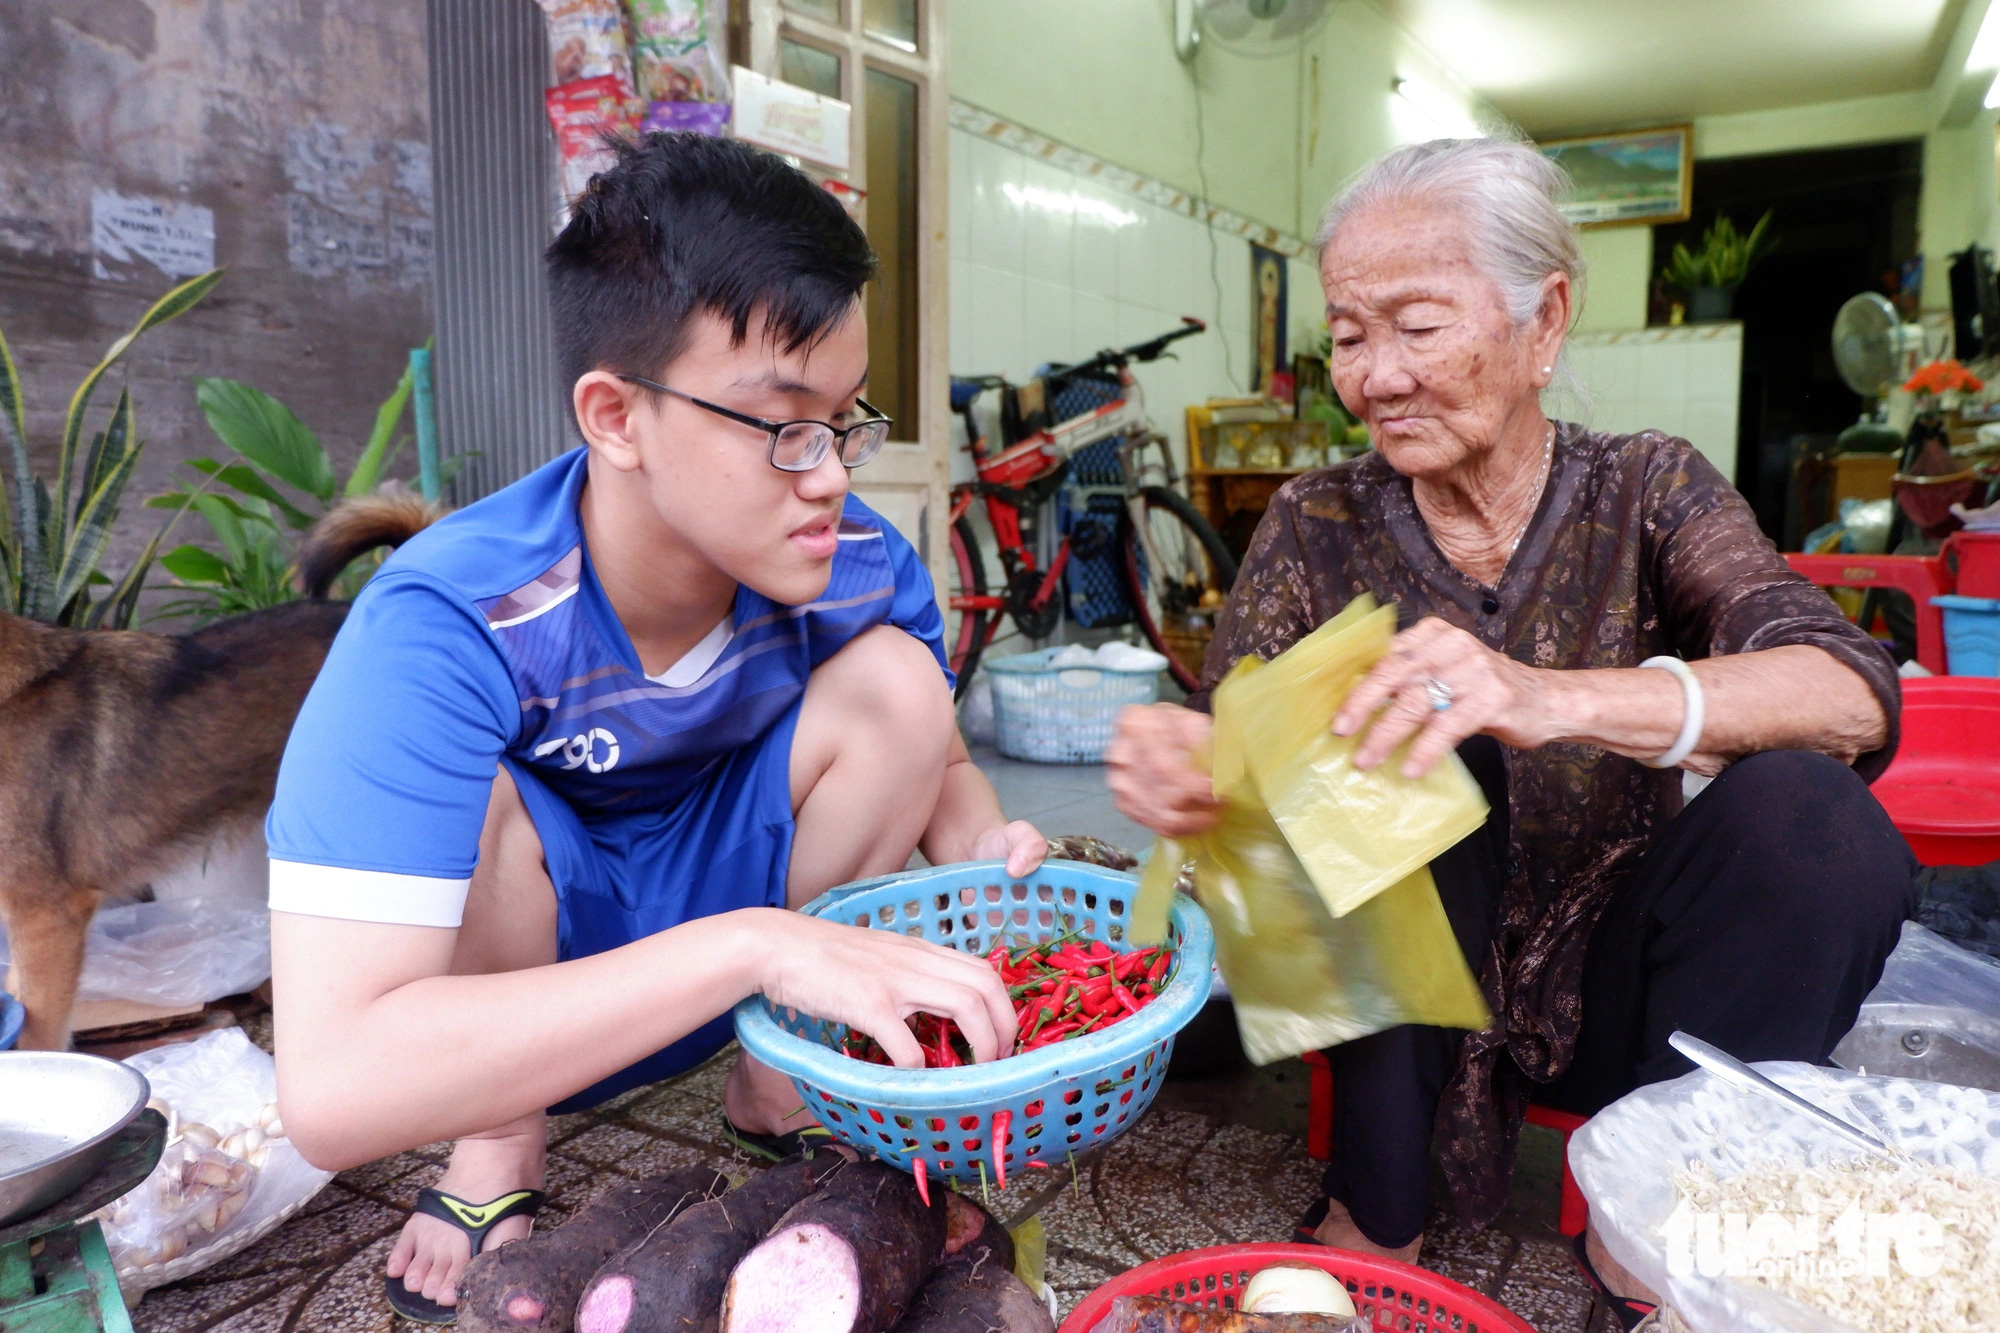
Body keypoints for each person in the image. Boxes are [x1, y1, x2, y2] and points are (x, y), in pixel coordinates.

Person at [1106, 138, 1914, 1330]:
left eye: (1415, 327)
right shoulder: (1314, 518)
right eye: (1346, 334)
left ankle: (1669, 1238)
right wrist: (1194, 773)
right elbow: (1234, 767)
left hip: (1628, 996)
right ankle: (1373, 1214)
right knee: (1399, 733)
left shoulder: (1646, 489)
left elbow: (1850, 691)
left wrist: (1551, 697)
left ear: (1543, 323)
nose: (1371, 376)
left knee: (1812, 818)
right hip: (1399, 1025)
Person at [265, 134, 1046, 1322]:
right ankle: (497, 1139)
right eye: (784, 424)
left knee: (899, 684)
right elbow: (331, 1085)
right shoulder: (447, 619)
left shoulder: (857, 568)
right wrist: (751, 946)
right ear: (615, 415)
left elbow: (938, 771)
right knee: (475, 803)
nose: (831, 476)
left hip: (733, 882)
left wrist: (993, 865)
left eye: (846, 421)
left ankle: (772, 1073)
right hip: (545, 941)